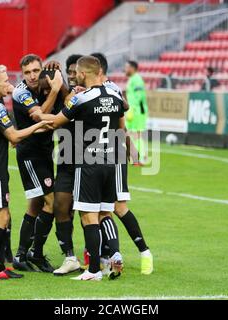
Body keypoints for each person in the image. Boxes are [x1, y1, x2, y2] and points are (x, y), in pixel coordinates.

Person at [35, 55, 126, 281]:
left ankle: (93, 270)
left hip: (88, 162)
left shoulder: (82, 98)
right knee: (105, 212)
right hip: (110, 161)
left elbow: (56, 122)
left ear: (83, 74)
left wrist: (38, 116)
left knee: (88, 216)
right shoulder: (115, 94)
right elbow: (122, 123)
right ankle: (107, 260)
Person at [0, 65, 52, 280]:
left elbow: (3, 135)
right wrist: (38, 126)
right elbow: (14, 137)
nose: (10, 83)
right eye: (6, 80)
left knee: (2, 216)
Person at [91, 52, 154, 275]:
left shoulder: (112, 89)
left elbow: (121, 123)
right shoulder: (93, 91)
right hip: (95, 157)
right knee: (99, 210)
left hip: (113, 156)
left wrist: (131, 148)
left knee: (116, 207)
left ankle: (144, 252)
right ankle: (105, 255)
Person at [11, 54, 65, 273]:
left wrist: (59, 79)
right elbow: (39, 116)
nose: (32, 76)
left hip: (44, 152)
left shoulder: (46, 81)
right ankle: (36, 253)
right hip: (30, 154)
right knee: (52, 204)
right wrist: (54, 89)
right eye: (27, 72)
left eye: (36, 70)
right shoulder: (20, 92)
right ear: (22, 74)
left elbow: (63, 100)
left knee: (35, 204)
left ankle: (21, 255)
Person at [124, 60, 149, 165]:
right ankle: (137, 156)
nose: (125, 69)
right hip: (133, 110)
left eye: (127, 67)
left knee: (136, 134)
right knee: (132, 133)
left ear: (132, 68)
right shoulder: (132, 79)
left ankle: (142, 157)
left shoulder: (137, 79)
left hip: (137, 111)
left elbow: (139, 96)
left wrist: (132, 109)